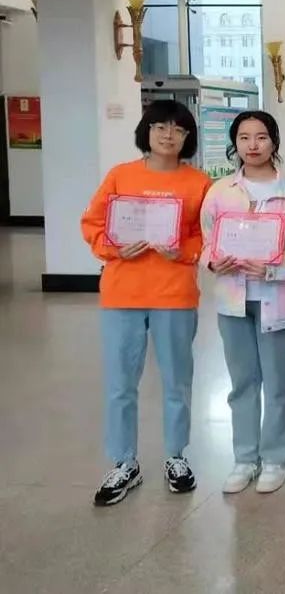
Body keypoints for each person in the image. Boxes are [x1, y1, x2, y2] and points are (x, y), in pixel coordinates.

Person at [80, 100, 211, 506]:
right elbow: (92, 223)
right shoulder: (121, 176)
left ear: (188, 137)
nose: (168, 135)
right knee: (121, 383)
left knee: (177, 381)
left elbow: (206, 234)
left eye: (178, 129)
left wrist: (183, 251)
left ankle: (176, 456)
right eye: (160, 127)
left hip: (174, 294)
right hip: (123, 293)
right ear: (146, 131)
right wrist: (114, 248)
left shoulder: (199, 183)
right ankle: (124, 462)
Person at [200, 111, 285, 495]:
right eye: (244, 137)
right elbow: (207, 241)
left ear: (273, 142)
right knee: (243, 382)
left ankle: (276, 459)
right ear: (235, 143)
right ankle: (245, 458)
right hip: (233, 300)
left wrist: (273, 268)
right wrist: (213, 261)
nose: (253, 145)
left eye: (261, 137)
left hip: (278, 299)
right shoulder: (220, 191)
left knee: (278, 384)